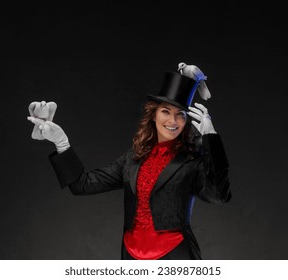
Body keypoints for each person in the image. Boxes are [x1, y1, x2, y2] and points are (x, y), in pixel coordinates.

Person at [27, 70, 231, 260]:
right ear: (154, 115)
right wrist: (61, 142)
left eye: (181, 115)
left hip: (175, 256)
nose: (173, 120)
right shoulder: (133, 158)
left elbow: (217, 196)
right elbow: (82, 184)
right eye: (166, 112)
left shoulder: (192, 160)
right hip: (131, 257)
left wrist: (210, 137)